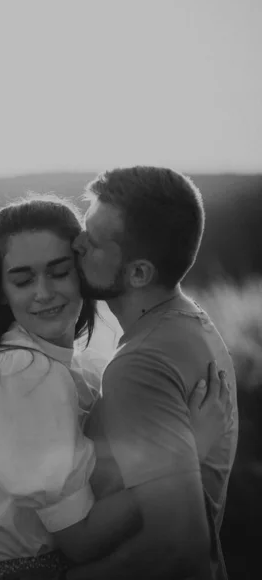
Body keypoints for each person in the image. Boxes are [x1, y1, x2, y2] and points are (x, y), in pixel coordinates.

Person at [0, 194, 229, 580]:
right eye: (23, 279)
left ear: (84, 273)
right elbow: (82, 539)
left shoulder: (72, 364)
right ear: (0, 292)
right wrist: (184, 455)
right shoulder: (23, 372)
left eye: (59, 271)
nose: (43, 292)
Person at [67, 166, 238, 580]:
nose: (76, 244)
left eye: (92, 242)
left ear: (139, 272)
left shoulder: (139, 365)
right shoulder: (191, 325)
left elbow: (177, 552)